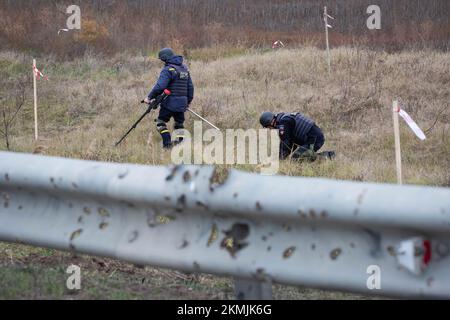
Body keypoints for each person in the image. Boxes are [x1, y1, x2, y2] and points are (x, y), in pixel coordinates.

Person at [144, 48, 194, 149]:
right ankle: (180, 144)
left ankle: (167, 144)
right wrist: (187, 102)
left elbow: (160, 86)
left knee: (160, 122)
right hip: (182, 103)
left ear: (164, 58)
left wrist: (149, 97)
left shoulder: (167, 70)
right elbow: (190, 87)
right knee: (179, 123)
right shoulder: (184, 69)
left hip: (169, 103)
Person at [259, 111, 331, 160]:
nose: (270, 129)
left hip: (314, 139)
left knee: (297, 158)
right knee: (298, 157)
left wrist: (278, 159)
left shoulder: (283, 123)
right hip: (313, 137)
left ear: (270, 122)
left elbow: (285, 144)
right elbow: (291, 144)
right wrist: (280, 157)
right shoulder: (284, 119)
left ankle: (328, 157)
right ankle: (326, 157)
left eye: (267, 127)